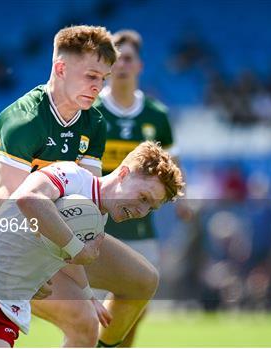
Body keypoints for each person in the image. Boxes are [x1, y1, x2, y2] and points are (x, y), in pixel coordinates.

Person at [0, 24, 166, 347]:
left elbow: (88, 202)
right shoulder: (25, 120)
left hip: (58, 233)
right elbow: (5, 204)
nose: (98, 86)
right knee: (84, 322)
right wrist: (50, 267)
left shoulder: (93, 122)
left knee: (143, 280)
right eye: (91, 76)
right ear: (60, 68)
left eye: (102, 78)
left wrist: (81, 276)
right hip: (0, 242)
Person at [0, 141, 184, 347]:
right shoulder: (72, 176)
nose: (142, 210)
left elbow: (71, 260)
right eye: (144, 197)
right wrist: (77, 248)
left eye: (151, 208)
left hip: (4, 307)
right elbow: (29, 198)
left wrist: (86, 292)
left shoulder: (96, 222)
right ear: (124, 173)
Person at [92, 29, 177, 347]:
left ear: (139, 65)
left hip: (141, 229)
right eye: (116, 58)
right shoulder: (92, 111)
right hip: (99, 225)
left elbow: (171, 170)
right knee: (89, 312)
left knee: (134, 311)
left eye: (128, 58)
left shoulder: (157, 116)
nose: (122, 65)